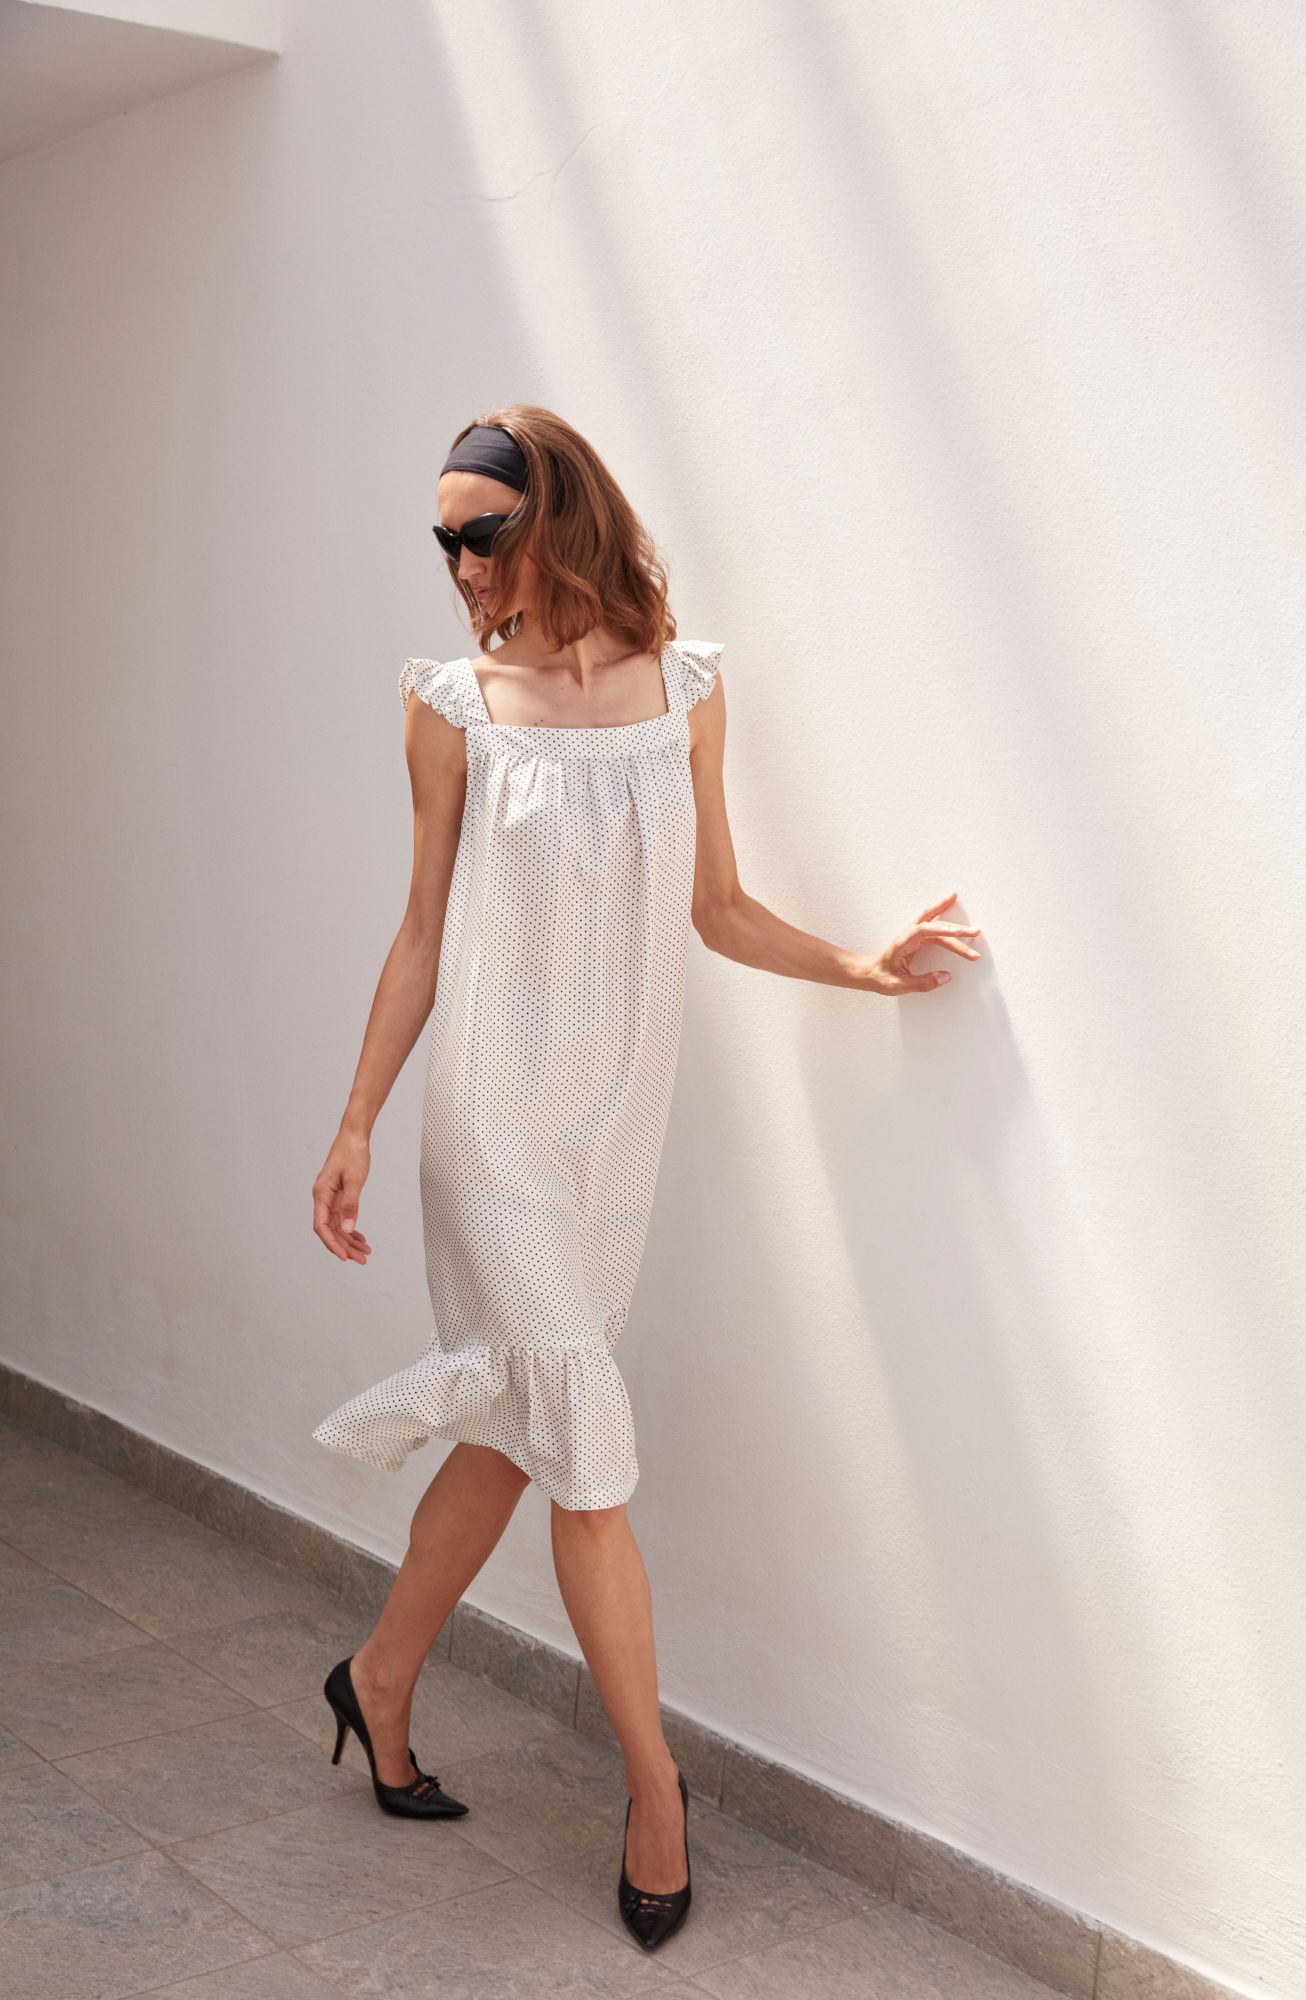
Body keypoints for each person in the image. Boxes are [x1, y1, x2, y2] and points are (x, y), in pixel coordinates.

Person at [308, 406, 983, 1951]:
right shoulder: (451, 708)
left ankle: (379, 1678)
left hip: (612, 1124)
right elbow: (420, 935)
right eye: (442, 540)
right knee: (586, 1454)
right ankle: (655, 1790)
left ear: (558, 515)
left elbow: (717, 906)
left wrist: (863, 966)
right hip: (489, 1123)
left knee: (513, 1424)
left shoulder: (685, 687)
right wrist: (354, 1124)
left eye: (481, 532)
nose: (459, 565)